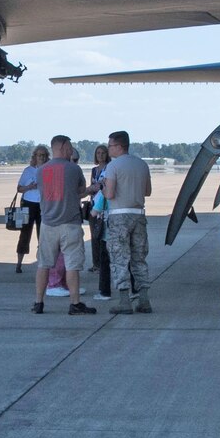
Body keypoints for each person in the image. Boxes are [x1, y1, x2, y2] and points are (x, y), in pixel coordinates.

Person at [33, 135, 94, 316]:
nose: (71, 150)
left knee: (43, 264)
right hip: (70, 224)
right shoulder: (74, 169)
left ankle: (38, 303)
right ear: (63, 147)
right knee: (72, 265)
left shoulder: (41, 171)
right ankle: (75, 303)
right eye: (69, 147)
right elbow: (81, 191)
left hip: (48, 224)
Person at [101, 129, 154, 314]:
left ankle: (124, 301)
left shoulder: (113, 167)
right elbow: (147, 191)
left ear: (118, 146)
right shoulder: (142, 165)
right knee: (139, 257)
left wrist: (102, 188)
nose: (109, 150)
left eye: (110, 146)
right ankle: (144, 299)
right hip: (139, 215)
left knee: (119, 258)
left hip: (119, 216)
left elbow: (109, 194)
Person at [85, 143, 112, 301]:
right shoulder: (95, 170)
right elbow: (92, 186)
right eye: (98, 153)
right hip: (94, 203)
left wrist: (97, 187)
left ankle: (102, 264)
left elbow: (103, 185)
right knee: (94, 235)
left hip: (104, 205)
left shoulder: (109, 168)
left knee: (103, 236)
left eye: (103, 152)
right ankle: (96, 263)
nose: (100, 155)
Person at [12, 146, 45, 272]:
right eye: (39, 155)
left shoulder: (48, 170)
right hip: (28, 204)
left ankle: (42, 262)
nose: (41, 157)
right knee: (25, 233)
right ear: (34, 157)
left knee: (42, 234)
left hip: (43, 204)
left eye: (43, 155)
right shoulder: (28, 171)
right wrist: (30, 187)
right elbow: (19, 188)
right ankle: (19, 262)